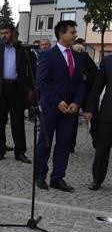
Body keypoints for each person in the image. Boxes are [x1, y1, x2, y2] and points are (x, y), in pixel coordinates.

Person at [34, 20, 85, 192]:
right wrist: (57, 101)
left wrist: (77, 102)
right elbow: (41, 82)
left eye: (74, 32)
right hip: (51, 108)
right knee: (45, 144)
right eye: (72, 32)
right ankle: (40, 176)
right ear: (61, 34)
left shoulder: (78, 57)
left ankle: (58, 177)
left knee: (63, 145)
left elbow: (80, 83)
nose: (75, 35)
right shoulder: (47, 55)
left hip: (70, 110)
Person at [0, 23, 34, 163]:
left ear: (13, 33)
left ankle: (20, 152)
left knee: (18, 121)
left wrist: (29, 88)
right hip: (0, 89)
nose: (4, 35)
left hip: (16, 89)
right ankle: (0, 149)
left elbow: (33, 70)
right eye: (2, 33)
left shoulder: (23, 51)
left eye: (6, 33)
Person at [84, 54, 111, 191]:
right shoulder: (107, 61)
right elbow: (97, 86)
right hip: (108, 114)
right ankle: (97, 179)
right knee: (102, 149)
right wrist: (89, 108)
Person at [69, 42, 98, 153]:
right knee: (71, 121)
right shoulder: (68, 57)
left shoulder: (85, 58)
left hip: (87, 93)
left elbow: (95, 72)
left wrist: (86, 77)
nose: (78, 52)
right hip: (73, 94)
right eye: (76, 49)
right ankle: (70, 145)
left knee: (93, 119)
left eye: (80, 50)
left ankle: (98, 143)